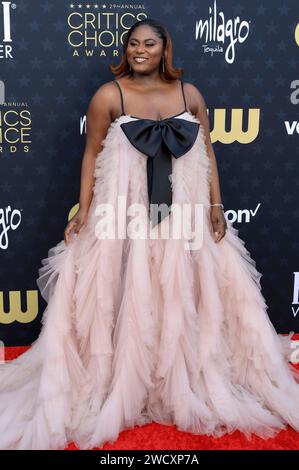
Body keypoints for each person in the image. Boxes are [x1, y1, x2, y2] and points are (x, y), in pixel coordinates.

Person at [0, 18, 299, 451]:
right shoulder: (109, 95)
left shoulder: (189, 95)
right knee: (128, 293)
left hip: (185, 219)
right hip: (127, 217)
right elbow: (91, 155)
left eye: (150, 44)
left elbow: (209, 151)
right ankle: (126, 380)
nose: (141, 50)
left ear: (165, 49)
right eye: (134, 44)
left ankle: (182, 377)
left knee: (184, 294)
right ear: (127, 50)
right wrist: (83, 213)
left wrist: (216, 206)